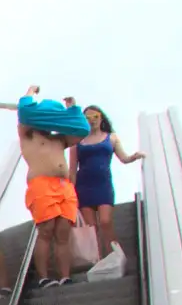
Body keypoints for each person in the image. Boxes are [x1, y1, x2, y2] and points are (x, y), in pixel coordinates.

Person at [17, 86, 89, 287]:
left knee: (63, 232)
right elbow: (23, 112)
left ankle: (65, 276)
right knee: (46, 230)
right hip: (41, 185)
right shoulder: (28, 135)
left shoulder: (59, 138)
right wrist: (30, 91)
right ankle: (43, 277)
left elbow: (80, 131)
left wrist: (72, 108)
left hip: (64, 186)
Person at [72, 104, 145, 260]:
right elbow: (72, 169)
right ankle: (99, 261)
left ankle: (116, 256)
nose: (92, 120)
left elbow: (123, 158)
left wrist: (135, 156)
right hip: (83, 186)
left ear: (101, 117)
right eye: (87, 118)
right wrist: (70, 193)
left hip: (103, 185)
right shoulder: (77, 141)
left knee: (106, 221)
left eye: (95, 117)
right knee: (91, 229)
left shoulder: (111, 137)